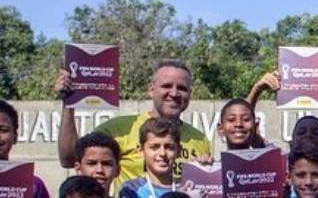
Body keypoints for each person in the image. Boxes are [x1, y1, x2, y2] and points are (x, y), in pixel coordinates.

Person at [56, 60, 210, 185]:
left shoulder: (200, 139)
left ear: (190, 94)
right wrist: (69, 103)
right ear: (151, 90)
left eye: (182, 88)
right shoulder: (118, 129)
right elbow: (69, 159)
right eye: (166, 86)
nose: (174, 93)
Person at [117, 117, 181, 198]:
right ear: (141, 151)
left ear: (179, 150)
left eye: (169, 147)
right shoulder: (131, 189)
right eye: (154, 147)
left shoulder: (187, 186)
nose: (162, 153)